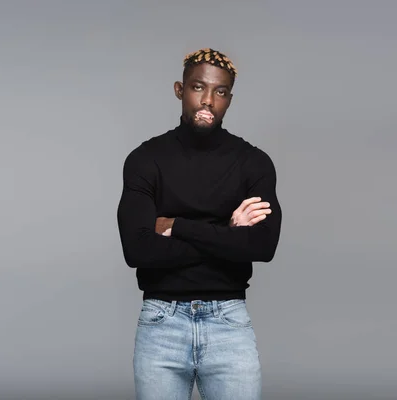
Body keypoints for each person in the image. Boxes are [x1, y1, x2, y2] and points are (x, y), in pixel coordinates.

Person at [116, 48, 282, 400]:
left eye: (220, 92)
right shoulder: (145, 159)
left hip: (229, 322)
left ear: (230, 99)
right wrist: (229, 234)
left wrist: (176, 225)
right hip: (161, 321)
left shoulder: (254, 163)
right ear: (179, 89)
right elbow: (138, 250)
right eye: (198, 88)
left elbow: (263, 247)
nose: (208, 100)